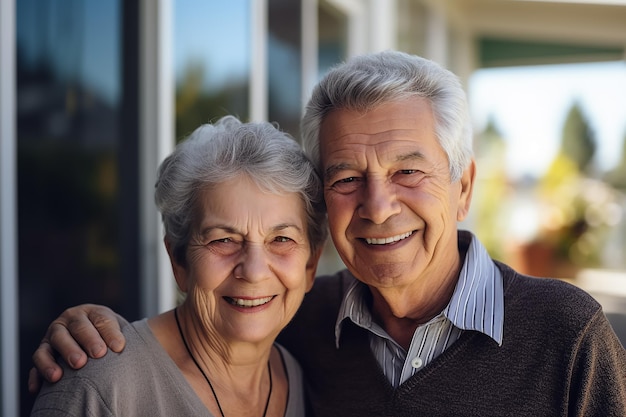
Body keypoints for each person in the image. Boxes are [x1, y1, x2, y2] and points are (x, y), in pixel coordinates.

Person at [31, 51, 626, 416]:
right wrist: (88, 333)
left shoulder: (565, 336)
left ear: (464, 186)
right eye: (346, 177)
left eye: (408, 172)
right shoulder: (304, 322)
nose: (377, 205)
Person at [30, 115, 327, 416]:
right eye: (223, 240)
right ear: (179, 261)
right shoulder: (101, 387)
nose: (253, 271)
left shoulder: (310, 380)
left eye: (281, 239)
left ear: (311, 265)